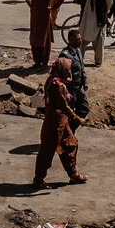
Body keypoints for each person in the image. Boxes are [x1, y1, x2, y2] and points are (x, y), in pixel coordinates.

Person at [32, 57, 87, 189]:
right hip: (54, 124)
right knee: (47, 152)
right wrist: (78, 119)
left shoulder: (54, 81)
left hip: (61, 122)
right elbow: (63, 106)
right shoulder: (57, 85)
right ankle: (38, 180)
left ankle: (73, 174)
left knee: (71, 145)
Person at [23, 0, 64, 69]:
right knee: (34, 38)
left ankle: (44, 63)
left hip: (45, 15)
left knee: (45, 39)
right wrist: (30, 4)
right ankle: (37, 61)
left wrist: (53, 7)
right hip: (34, 15)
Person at [78, 0, 111, 66]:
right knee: (82, 39)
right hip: (86, 17)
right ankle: (79, 59)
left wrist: (104, 12)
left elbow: (109, 2)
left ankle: (98, 60)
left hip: (98, 18)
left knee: (99, 40)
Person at [58, 29, 90, 133]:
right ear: (70, 40)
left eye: (80, 39)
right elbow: (61, 76)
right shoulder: (65, 54)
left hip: (79, 87)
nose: (80, 41)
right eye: (77, 39)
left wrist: (84, 81)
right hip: (70, 90)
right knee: (68, 113)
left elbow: (81, 67)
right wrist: (66, 92)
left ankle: (70, 130)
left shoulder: (78, 51)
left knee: (84, 108)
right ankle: (66, 134)